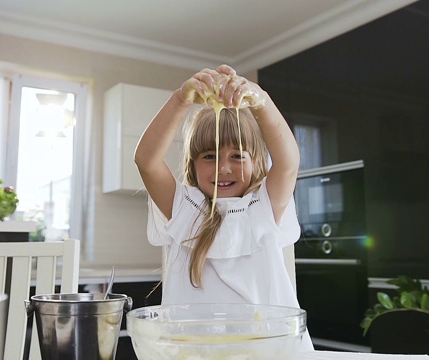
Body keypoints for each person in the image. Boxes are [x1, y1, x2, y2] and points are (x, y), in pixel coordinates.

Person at [134, 64, 313, 350]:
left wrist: (261, 101)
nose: (223, 168)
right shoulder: (183, 208)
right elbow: (147, 161)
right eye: (209, 156)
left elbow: (288, 162)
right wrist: (181, 100)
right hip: (194, 352)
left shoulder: (263, 206)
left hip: (268, 351)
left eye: (237, 155)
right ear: (192, 164)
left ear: (256, 163)